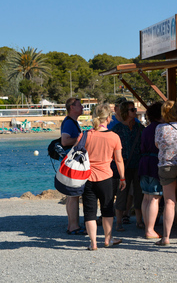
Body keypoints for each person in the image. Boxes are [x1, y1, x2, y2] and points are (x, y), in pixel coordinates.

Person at [77, 103, 126, 250]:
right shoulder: (114, 137)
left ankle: (93, 243)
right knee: (107, 209)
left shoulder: (84, 135)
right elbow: (118, 160)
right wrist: (122, 178)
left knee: (89, 211)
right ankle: (108, 239)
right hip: (106, 178)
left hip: (87, 178)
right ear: (109, 118)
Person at [155, 101, 177, 246]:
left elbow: (157, 144)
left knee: (169, 202)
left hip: (166, 166)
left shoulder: (159, 128)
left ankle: (166, 238)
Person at [112, 101, 145, 231]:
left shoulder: (139, 128)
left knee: (138, 193)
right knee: (121, 194)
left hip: (137, 165)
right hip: (123, 166)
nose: (135, 111)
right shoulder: (117, 129)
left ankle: (139, 221)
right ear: (126, 111)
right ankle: (118, 222)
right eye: (132, 109)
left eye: (135, 109)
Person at [138, 101, 163, 239]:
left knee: (146, 197)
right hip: (154, 163)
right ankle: (150, 229)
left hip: (144, 163)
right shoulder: (160, 128)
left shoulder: (146, 129)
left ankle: (148, 227)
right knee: (155, 197)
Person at [61, 97, 85, 235]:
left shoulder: (72, 122)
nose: (82, 107)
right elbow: (65, 141)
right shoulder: (70, 123)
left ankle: (72, 226)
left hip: (70, 161)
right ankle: (74, 226)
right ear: (72, 107)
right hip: (71, 162)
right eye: (79, 105)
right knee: (73, 195)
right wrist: (81, 139)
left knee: (71, 195)